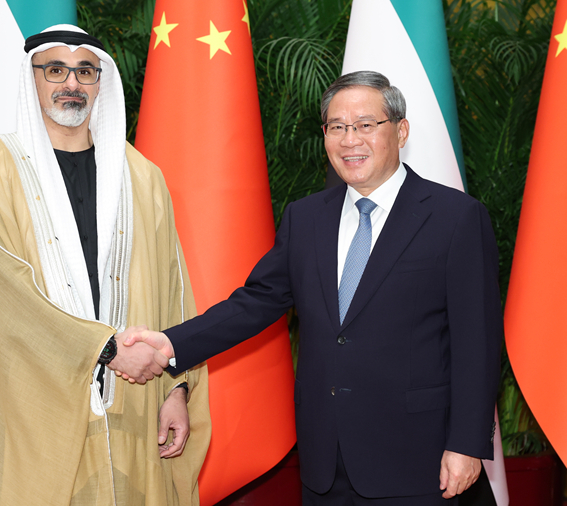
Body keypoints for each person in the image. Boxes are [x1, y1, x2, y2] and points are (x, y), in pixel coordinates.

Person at [118, 71, 502, 505]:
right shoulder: (306, 218)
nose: (349, 139)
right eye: (337, 127)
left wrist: (468, 444)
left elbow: (478, 343)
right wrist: (168, 344)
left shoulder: (455, 217)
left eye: (365, 125)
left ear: (400, 130)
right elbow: (256, 302)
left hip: (420, 460)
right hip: (326, 461)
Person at [0, 24, 210, 505]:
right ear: (33, 78)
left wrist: (175, 387)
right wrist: (104, 349)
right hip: (34, 406)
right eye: (56, 69)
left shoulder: (141, 176)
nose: (71, 83)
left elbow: (174, 289)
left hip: (138, 398)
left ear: (100, 82)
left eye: (85, 71)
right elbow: (4, 295)